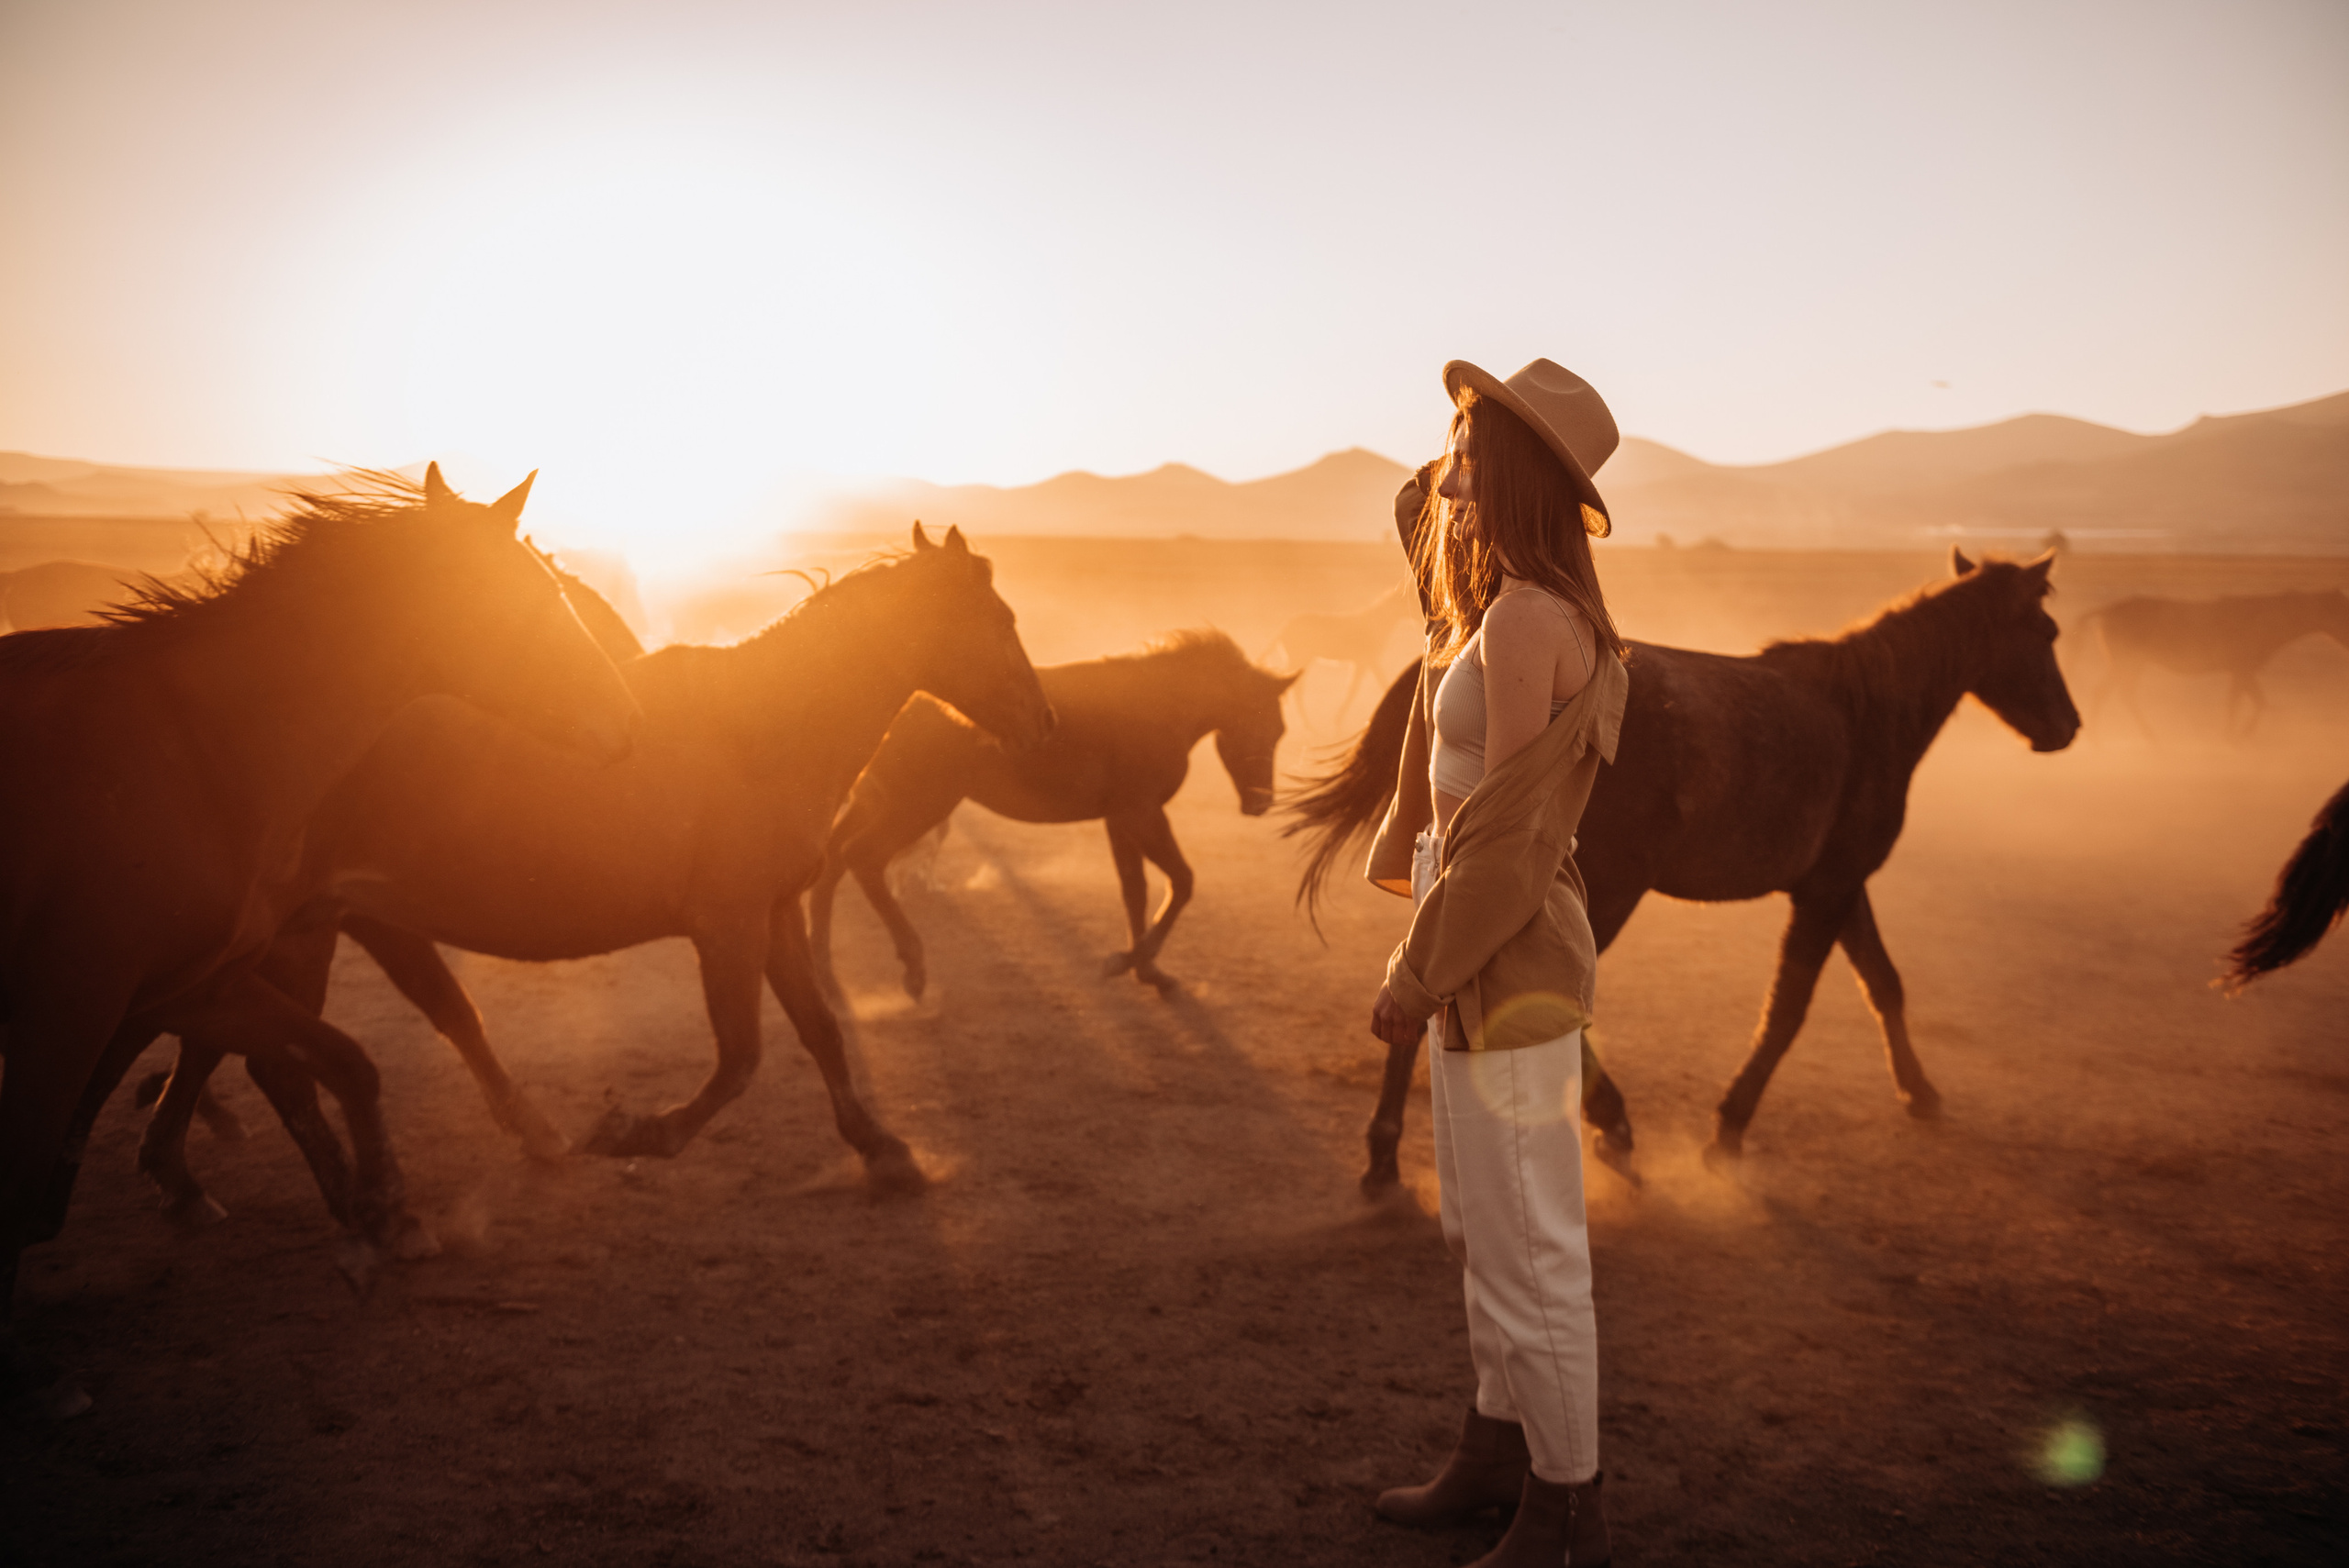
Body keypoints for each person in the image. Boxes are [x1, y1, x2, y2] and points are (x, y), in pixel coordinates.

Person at [1364, 358, 1629, 1567]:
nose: (1450, 471)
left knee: (1534, 1248)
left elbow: (1511, 847)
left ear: (1518, 470)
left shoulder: (1528, 622)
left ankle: (1563, 1504)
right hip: (1481, 950)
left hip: (1502, 956)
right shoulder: (1505, 605)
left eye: (1472, 450)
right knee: (1486, 1228)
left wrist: (1413, 972)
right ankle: (1492, 1449)